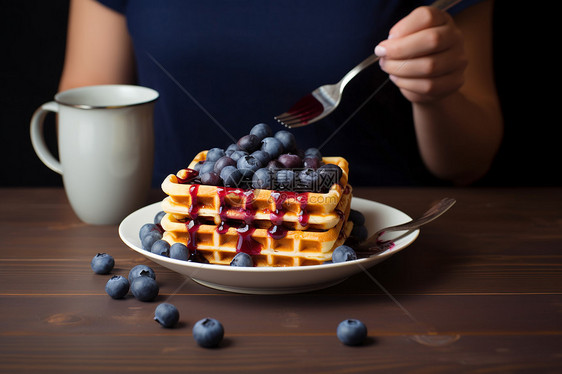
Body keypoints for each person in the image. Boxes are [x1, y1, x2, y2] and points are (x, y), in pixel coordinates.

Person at [58, 0, 502, 187]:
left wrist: (437, 94)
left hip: (373, 254)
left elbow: (468, 164)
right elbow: (81, 108)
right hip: (177, 253)